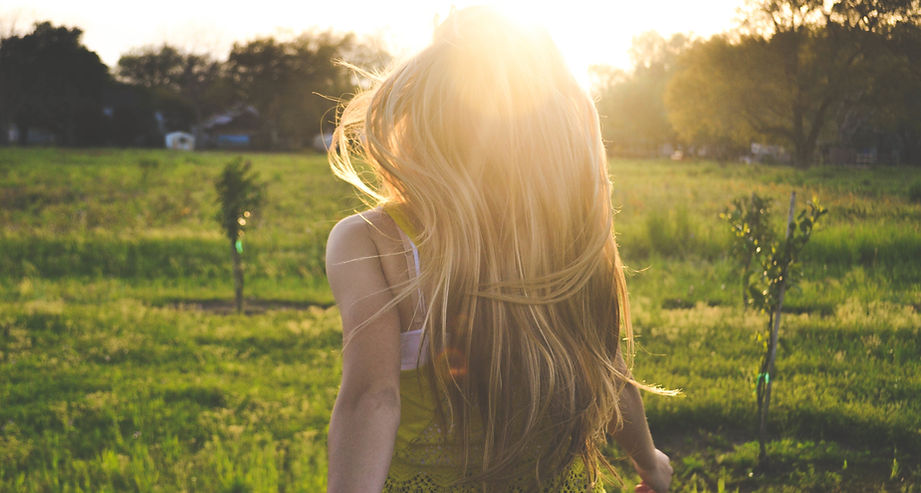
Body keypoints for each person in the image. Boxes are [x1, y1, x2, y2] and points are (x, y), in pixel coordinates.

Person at [325, 7, 673, 492]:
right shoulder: (566, 238)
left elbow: (372, 398)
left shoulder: (371, 239)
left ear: (419, 117)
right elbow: (607, 366)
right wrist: (649, 461)